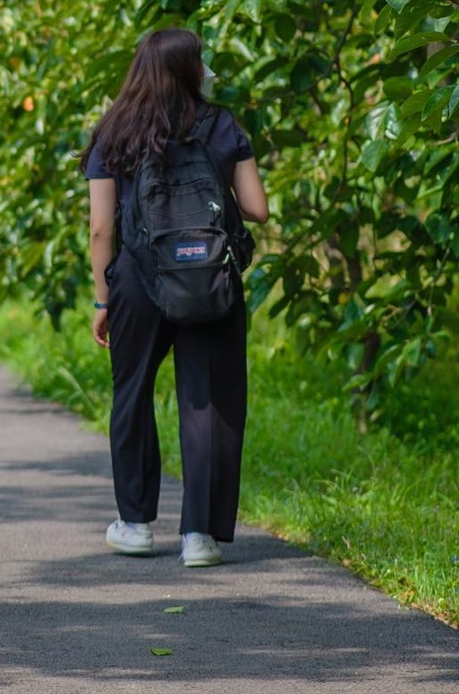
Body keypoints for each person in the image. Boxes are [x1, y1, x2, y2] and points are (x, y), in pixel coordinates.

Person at [81, 28, 268, 568]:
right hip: (209, 280)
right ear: (191, 70)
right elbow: (258, 209)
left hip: (139, 278)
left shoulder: (113, 132)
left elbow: (100, 228)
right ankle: (199, 537)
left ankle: (136, 525)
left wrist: (103, 299)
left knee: (132, 392)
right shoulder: (222, 124)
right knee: (207, 399)